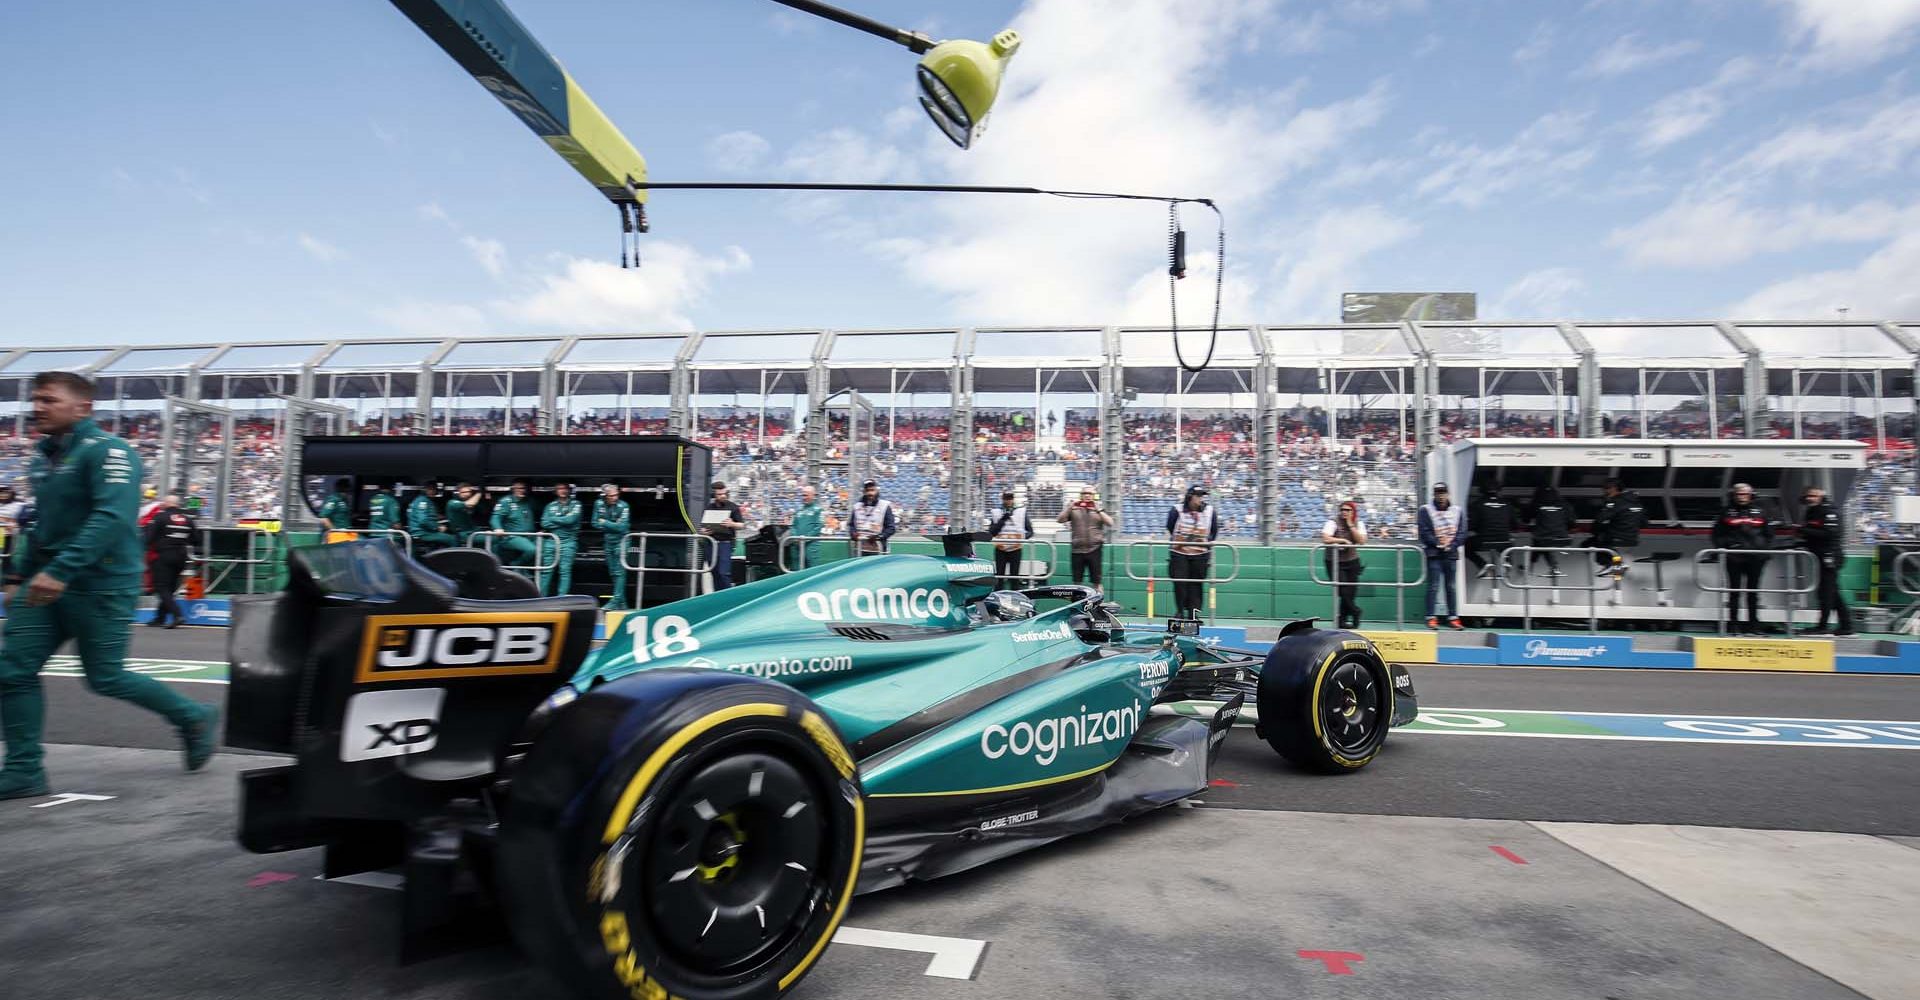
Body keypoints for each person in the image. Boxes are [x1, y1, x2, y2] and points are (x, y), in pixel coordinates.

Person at [0, 371, 218, 800]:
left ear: (83, 407)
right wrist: (17, 573)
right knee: (10, 671)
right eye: (36, 399)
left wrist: (59, 571)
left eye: (48, 399)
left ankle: (193, 716)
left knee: (104, 677)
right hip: (44, 582)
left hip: (99, 583)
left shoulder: (110, 451)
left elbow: (112, 517)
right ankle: (24, 770)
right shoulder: (43, 456)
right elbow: (39, 523)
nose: (37, 407)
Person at [1711, 482, 1775, 634]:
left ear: (1751, 495)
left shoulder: (1761, 512)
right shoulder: (1726, 512)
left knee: (1753, 593)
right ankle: (1733, 625)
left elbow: (1769, 534)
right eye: (1739, 494)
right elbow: (1716, 535)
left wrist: (1763, 550)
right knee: (1734, 592)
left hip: (1756, 557)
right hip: (1735, 557)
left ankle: (1753, 625)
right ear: (1734, 495)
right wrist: (1727, 547)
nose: (1742, 497)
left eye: (1745, 494)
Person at [1799, 486, 1853, 636]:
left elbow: (1830, 533)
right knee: (1832, 592)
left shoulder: (1829, 511)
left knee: (1826, 593)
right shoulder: (1812, 511)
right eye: (1809, 496)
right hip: (1819, 554)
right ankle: (1846, 626)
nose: (1810, 498)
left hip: (1830, 556)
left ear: (1821, 497)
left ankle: (1823, 626)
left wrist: (1802, 530)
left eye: (1814, 496)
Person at [143, 493, 196, 629]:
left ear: (166, 504)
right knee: (169, 589)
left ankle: (177, 615)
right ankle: (160, 618)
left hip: (164, 556)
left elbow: (148, 539)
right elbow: (196, 540)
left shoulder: (160, 517)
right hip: (181, 556)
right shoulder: (187, 519)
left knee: (161, 587)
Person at [1417, 482, 1466, 630]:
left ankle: (1453, 617)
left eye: (1443, 492)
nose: (1441, 495)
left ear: (1448, 494)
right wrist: (1437, 543)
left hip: (1450, 554)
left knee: (1451, 586)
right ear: (1434, 494)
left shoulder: (1458, 511)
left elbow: (1462, 532)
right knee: (1434, 586)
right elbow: (1423, 532)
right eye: (1438, 492)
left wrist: (1452, 545)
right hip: (1434, 554)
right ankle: (1431, 617)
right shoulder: (1425, 510)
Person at [1165, 485, 1219, 620]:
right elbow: (1170, 527)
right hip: (1179, 553)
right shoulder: (1176, 510)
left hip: (1200, 554)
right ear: (1190, 497)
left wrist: (1202, 544)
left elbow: (1214, 531)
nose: (1201, 499)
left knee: (1196, 584)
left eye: (1202, 496)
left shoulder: (1210, 511)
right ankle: (1180, 612)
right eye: (1198, 496)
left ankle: (1193, 615)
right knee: (1180, 583)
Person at [1320, 499, 1367, 629]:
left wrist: (1351, 526)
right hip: (1334, 561)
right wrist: (1342, 540)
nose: (1344, 512)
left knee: (1351, 592)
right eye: (1342, 510)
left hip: (1352, 561)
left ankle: (1342, 620)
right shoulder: (1332, 522)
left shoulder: (1358, 523)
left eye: (1347, 510)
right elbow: (1325, 538)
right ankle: (1355, 611)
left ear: (1353, 512)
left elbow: (1362, 541)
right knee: (1342, 591)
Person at [1057, 485, 1114, 588]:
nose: (1087, 496)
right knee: (1077, 582)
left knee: (1097, 582)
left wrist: (1099, 510)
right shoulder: (1074, 509)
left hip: (1095, 549)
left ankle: (1098, 603)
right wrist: (1069, 507)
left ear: (1094, 496)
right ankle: (1078, 603)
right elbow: (1060, 520)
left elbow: (1110, 522)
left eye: (1090, 494)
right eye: (1085, 493)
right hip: (1077, 550)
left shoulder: (1099, 508)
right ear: (1081, 496)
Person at [1586, 478, 1645, 577]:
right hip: (1633, 539)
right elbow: (1644, 523)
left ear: (1616, 488)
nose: (1605, 491)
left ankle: (1613, 564)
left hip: (1616, 538)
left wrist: (1594, 530)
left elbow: (1600, 519)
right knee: (1605, 543)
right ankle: (1617, 565)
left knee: (1592, 543)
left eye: (1607, 488)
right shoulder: (1637, 503)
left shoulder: (1615, 502)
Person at [591, 483, 630, 610]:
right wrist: (612, 525)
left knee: (620, 572)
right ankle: (622, 603)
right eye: (611, 496)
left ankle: (615, 601)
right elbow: (594, 523)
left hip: (622, 540)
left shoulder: (623, 506)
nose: (615, 498)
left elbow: (621, 527)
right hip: (608, 540)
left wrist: (605, 522)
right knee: (613, 572)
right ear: (605, 496)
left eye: (616, 495)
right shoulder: (599, 504)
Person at [539, 482, 582, 595]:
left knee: (565, 571)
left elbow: (571, 520)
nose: (562, 490)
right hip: (551, 541)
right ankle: (541, 598)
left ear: (568, 490)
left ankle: (561, 599)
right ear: (555, 491)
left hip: (568, 541)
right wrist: (563, 521)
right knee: (546, 570)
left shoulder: (576, 504)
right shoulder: (550, 505)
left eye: (565, 488)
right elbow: (544, 523)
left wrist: (553, 519)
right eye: (559, 488)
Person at [490, 479, 539, 579]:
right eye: (519, 488)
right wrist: (498, 528)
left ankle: (523, 569)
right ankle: (516, 565)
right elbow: (495, 518)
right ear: (513, 489)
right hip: (513, 536)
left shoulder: (529, 501)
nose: (522, 490)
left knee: (544, 550)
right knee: (532, 550)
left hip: (530, 535)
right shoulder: (506, 501)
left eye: (523, 488)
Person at [702, 481, 746, 590]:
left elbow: (742, 525)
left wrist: (732, 524)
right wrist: (704, 531)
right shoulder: (709, 508)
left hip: (725, 544)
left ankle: (727, 595)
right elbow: (703, 526)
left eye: (724, 493)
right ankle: (717, 595)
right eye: (719, 494)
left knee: (723, 572)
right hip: (711, 543)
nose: (723, 496)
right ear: (714, 495)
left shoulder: (733, 507)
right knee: (714, 573)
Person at [989, 490, 1034, 590]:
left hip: (1016, 549)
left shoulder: (1021, 512)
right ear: (1002, 499)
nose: (1008, 501)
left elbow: (1030, 531)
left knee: (1015, 578)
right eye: (1006, 498)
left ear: (1013, 499)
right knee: (999, 578)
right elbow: (992, 532)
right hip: (1000, 549)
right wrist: (1003, 520)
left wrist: (1020, 539)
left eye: (1010, 498)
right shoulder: (996, 512)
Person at [1525, 485, 1572, 577]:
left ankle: (1530, 566)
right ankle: (1553, 567)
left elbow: (1526, 519)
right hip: (1563, 538)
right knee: (1543, 543)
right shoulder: (1564, 505)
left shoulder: (1537, 505)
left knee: (1541, 542)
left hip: (1544, 538)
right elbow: (1571, 521)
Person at [849, 480, 897, 556]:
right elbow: (851, 525)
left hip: (878, 549)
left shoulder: (885, 506)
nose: (870, 493)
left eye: (872, 490)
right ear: (864, 492)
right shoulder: (857, 506)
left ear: (877, 491)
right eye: (867, 490)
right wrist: (853, 533)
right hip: (859, 548)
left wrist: (879, 537)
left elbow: (891, 528)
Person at [406, 482, 457, 553]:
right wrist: (437, 527)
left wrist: (442, 518)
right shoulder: (423, 501)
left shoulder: (424, 500)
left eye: (434, 489)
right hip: (422, 533)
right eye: (430, 489)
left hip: (425, 531)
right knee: (452, 539)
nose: (433, 491)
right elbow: (423, 520)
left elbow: (429, 515)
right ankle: (455, 560)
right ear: (424, 489)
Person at [788, 484, 827, 569]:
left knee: (812, 570)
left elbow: (818, 527)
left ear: (813, 496)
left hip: (811, 546)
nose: (804, 497)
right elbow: (793, 526)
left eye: (806, 495)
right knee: (796, 571)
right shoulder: (798, 511)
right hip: (797, 546)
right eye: (803, 495)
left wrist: (805, 539)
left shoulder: (818, 510)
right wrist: (796, 538)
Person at [445, 481, 482, 546]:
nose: (467, 494)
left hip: (472, 532)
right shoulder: (452, 503)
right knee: (494, 539)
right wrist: (479, 493)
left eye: (469, 492)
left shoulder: (466, 503)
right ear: (457, 493)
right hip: (462, 535)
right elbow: (471, 504)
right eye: (464, 492)